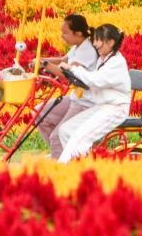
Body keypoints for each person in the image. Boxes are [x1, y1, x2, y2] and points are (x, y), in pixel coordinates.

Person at [54, 24, 132, 163]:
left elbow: (95, 80)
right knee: (65, 130)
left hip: (116, 108)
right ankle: (79, 166)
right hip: (102, 107)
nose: (95, 43)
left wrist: (73, 69)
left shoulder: (117, 62)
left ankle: (64, 169)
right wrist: (74, 76)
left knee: (80, 136)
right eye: (94, 39)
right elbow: (93, 82)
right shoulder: (103, 59)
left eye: (98, 39)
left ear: (111, 42)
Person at [34, 14, 99, 147]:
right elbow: (62, 60)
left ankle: (63, 160)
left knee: (57, 138)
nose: (62, 36)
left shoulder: (88, 50)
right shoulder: (78, 46)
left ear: (78, 33)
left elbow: (68, 73)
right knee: (39, 114)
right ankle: (63, 153)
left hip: (87, 103)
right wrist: (40, 60)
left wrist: (45, 65)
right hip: (76, 98)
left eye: (65, 33)